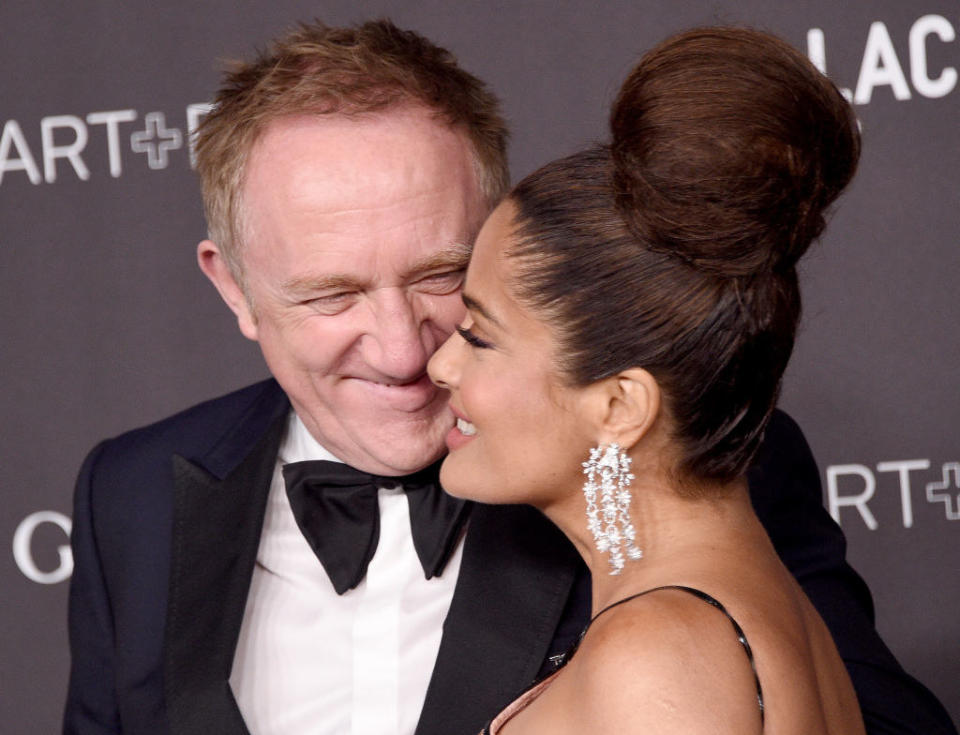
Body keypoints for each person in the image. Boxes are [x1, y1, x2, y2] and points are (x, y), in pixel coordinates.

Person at [62, 18, 956, 735]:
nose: (408, 351)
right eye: (333, 293)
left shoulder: (691, 464)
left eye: (442, 280)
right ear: (235, 287)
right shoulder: (132, 496)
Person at [428, 26, 955, 735]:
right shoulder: (748, 606)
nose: (440, 364)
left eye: (479, 335)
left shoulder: (658, 650)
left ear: (619, 406)